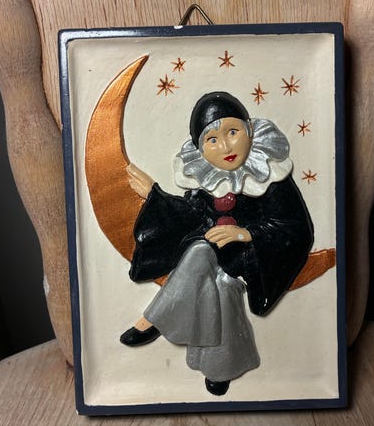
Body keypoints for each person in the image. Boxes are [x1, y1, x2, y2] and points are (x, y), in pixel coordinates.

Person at [120, 91, 314, 395]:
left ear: (250, 130)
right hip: (214, 250)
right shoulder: (207, 177)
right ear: (200, 148)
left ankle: (155, 319)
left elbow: (294, 227)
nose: (225, 146)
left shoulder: (269, 174)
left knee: (216, 272)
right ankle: (219, 368)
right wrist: (154, 195)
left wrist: (246, 234)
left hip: (256, 258)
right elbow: (192, 214)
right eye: (212, 139)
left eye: (233, 132)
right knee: (208, 265)